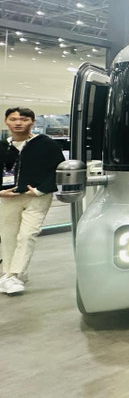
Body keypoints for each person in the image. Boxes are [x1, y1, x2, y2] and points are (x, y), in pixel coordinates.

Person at [0, 107, 65, 295]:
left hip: (37, 198)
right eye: (13, 119)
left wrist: (40, 190)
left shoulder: (46, 144)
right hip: (9, 198)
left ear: (33, 122)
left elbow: (58, 169)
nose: (18, 123)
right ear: (6, 122)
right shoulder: (3, 146)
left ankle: (13, 274)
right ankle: (11, 274)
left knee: (27, 235)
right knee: (8, 236)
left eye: (24, 119)